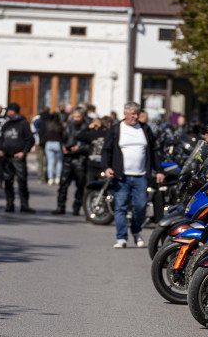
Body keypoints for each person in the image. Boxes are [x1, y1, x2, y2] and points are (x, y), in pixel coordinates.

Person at [102, 101, 164, 248]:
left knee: (141, 206)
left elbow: (154, 150)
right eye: (132, 114)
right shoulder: (116, 129)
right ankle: (121, 237)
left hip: (141, 175)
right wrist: (107, 168)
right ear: (125, 114)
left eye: (137, 114)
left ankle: (136, 231)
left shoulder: (144, 129)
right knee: (120, 207)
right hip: (121, 176)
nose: (135, 117)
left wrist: (159, 170)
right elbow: (106, 150)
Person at [0, 102, 35, 213]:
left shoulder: (23, 123)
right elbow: (1, 139)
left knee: (22, 181)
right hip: (6, 157)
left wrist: (24, 152)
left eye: (9, 110)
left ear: (14, 111)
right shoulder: (6, 124)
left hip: (18, 157)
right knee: (8, 182)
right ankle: (9, 204)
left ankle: (24, 205)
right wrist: (0, 149)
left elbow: (30, 140)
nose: (7, 112)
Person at [53, 109, 91, 215]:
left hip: (80, 159)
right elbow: (62, 139)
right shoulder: (69, 126)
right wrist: (63, 147)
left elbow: (91, 144)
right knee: (63, 184)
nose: (76, 119)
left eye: (78, 117)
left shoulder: (87, 127)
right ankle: (60, 206)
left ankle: (76, 207)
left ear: (83, 116)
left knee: (80, 185)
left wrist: (80, 148)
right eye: (74, 117)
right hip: (68, 159)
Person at [41, 109, 64, 185]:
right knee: (59, 162)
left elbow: (43, 134)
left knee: (50, 162)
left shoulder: (48, 125)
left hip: (49, 143)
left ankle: (50, 178)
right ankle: (58, 177)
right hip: (57, 143)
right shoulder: (59, 125)